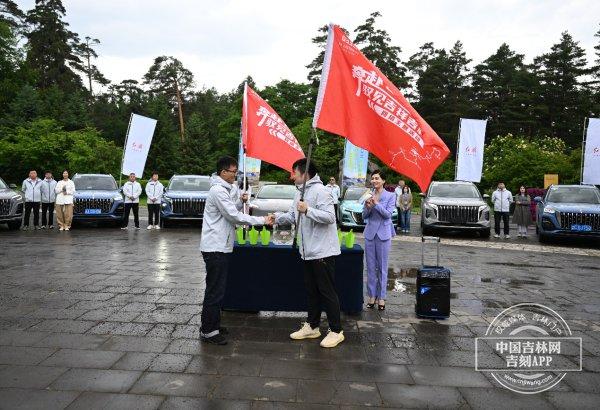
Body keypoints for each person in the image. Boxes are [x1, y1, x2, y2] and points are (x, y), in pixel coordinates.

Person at [200, 156, 273, 345]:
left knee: (217, 289)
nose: (235, 175)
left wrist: (240, 202)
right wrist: (262, 220)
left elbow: (232, 209)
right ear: (223, 172)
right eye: (233, 172)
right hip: (215, 247)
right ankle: (209, 331)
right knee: (214, 291)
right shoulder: (218, 191)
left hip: (220, 246)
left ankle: (212, 324)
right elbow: (233, 216)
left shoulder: (224, 189)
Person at [274, 158, 344, 348]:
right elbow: (291, 216)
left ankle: (336, 330)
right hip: (307, 250)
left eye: (294, 172)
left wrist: (308, 210)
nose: (291, 176)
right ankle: (312, 326)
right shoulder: (300, 192)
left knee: (327, 292)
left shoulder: (322, 191)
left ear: (305, 174)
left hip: (322, 251)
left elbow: (330, 217)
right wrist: (275, 218)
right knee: (312, 291)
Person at [362, 170, 396, 310]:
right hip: (370, 234)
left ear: (383, 181)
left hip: (383, 234)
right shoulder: (368, 195)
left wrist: (376, 203)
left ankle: (381, 297)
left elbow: (388, 215)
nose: (374, 180)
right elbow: (364, 215)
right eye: (373, 178)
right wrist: (369, 207)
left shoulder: (391, 195)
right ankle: (371, 296)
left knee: (382, 267)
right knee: (370, 267)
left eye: (377, 178)